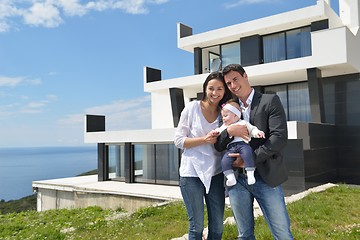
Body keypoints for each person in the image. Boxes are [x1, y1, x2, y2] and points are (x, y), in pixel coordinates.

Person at [216, 64, 294, 239]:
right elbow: (218, 144)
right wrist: (229, 131)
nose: (233, 85)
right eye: (228, 83)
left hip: (266, 176)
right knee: (244, 235)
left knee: (282, 233)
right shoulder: (228, 108)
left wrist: (249, 159)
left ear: (245, 76)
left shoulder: (269, 101)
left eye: (235, 79)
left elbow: (279, 138)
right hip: (236, 180)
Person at [174, 71, 232, 240]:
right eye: (211, 88)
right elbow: (178, 140)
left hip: (215, 173)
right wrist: (204, 140)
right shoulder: (192, 108)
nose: (215, 93)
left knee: (217, 227)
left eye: (219, 89)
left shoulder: (225, 112)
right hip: (191, 173)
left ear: (224, 91)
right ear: (205, 89)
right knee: (196, 227)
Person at [211, 99, 265, 187]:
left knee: (248, 154)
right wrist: (215, 132)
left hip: (243, 144)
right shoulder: (224, 126)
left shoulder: (243, 123)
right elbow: (219, 131)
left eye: (225, 116)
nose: (223, 118)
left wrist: (257, 133)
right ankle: (230, 177)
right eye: (222, 116)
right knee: (225, 160)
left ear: (236, 116)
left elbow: (252, 129)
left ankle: (250, 174)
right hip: (231, 148)